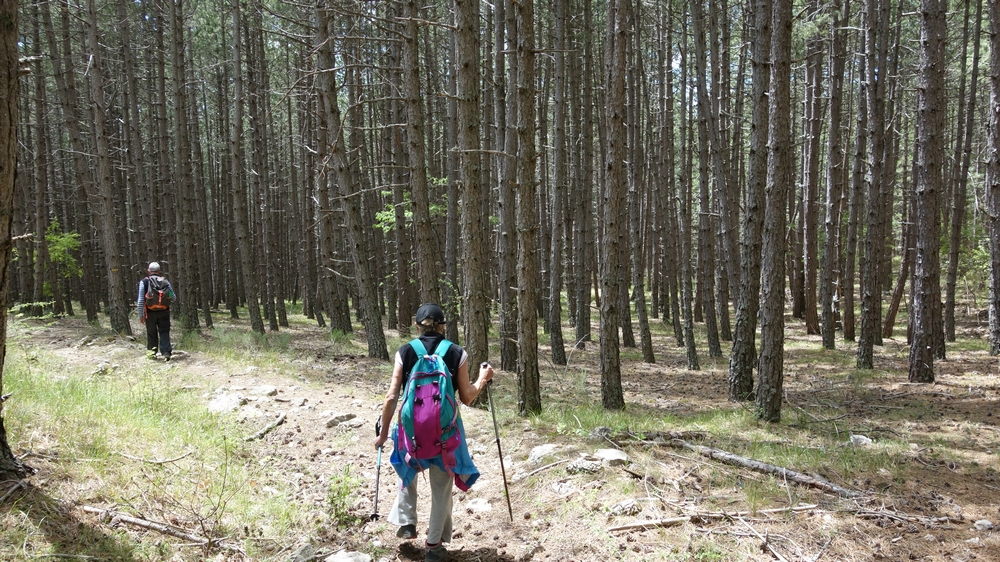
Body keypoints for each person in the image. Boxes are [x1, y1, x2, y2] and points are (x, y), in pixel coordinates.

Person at [374, 303, 495, 562]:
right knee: (441, 487)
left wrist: (384, 434)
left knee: (407, 465)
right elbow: (467, 397)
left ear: (417, 326)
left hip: (411, 431)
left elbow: (391, 396)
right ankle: (434, 546)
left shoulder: (405, 351)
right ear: (443, 326)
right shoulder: (455, 352)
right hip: (445, 433)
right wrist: (482, 378)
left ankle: (407, 522)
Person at [137, 262, 176, 361]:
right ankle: (166, 352)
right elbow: (173, 297)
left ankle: (152, 353)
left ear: (149, 271)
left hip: (149, 313)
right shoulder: (166, 282)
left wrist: (141, 315)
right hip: (164, 311)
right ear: (159, 271)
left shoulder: (144, 282)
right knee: (164, 331)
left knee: (151, 333)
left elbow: (141, 300)